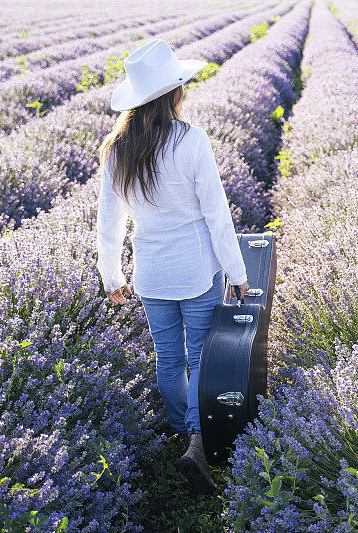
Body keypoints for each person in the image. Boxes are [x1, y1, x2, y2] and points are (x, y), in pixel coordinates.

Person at [95, 38, 249, 495]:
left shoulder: (116, 148)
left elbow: (109, 222)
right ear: (172, 93)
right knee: (199, 352)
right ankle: (199, 438)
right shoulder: (190, 140)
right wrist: (236, 271)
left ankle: (185, 430)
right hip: (197, 270)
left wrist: (112, 277)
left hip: (152, 274)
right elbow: (216, 212)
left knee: (169, 357)